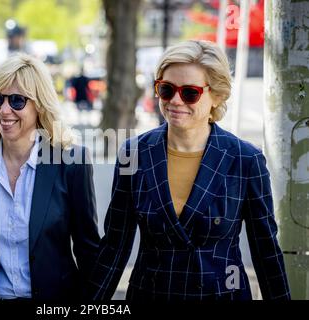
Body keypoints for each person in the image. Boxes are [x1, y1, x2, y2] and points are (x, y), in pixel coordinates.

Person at [86, 40, 291, 301]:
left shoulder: (245, 159)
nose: (175, 101)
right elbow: (115, 246)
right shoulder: (134, 153)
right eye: (166, 89)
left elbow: (265, 251)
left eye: (190, 93)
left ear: (216, 95)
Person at [0, 53, 100, 300]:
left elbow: (87, 250)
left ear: (40, 106)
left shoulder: (72, 164)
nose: (4, 110)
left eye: (17, 101)